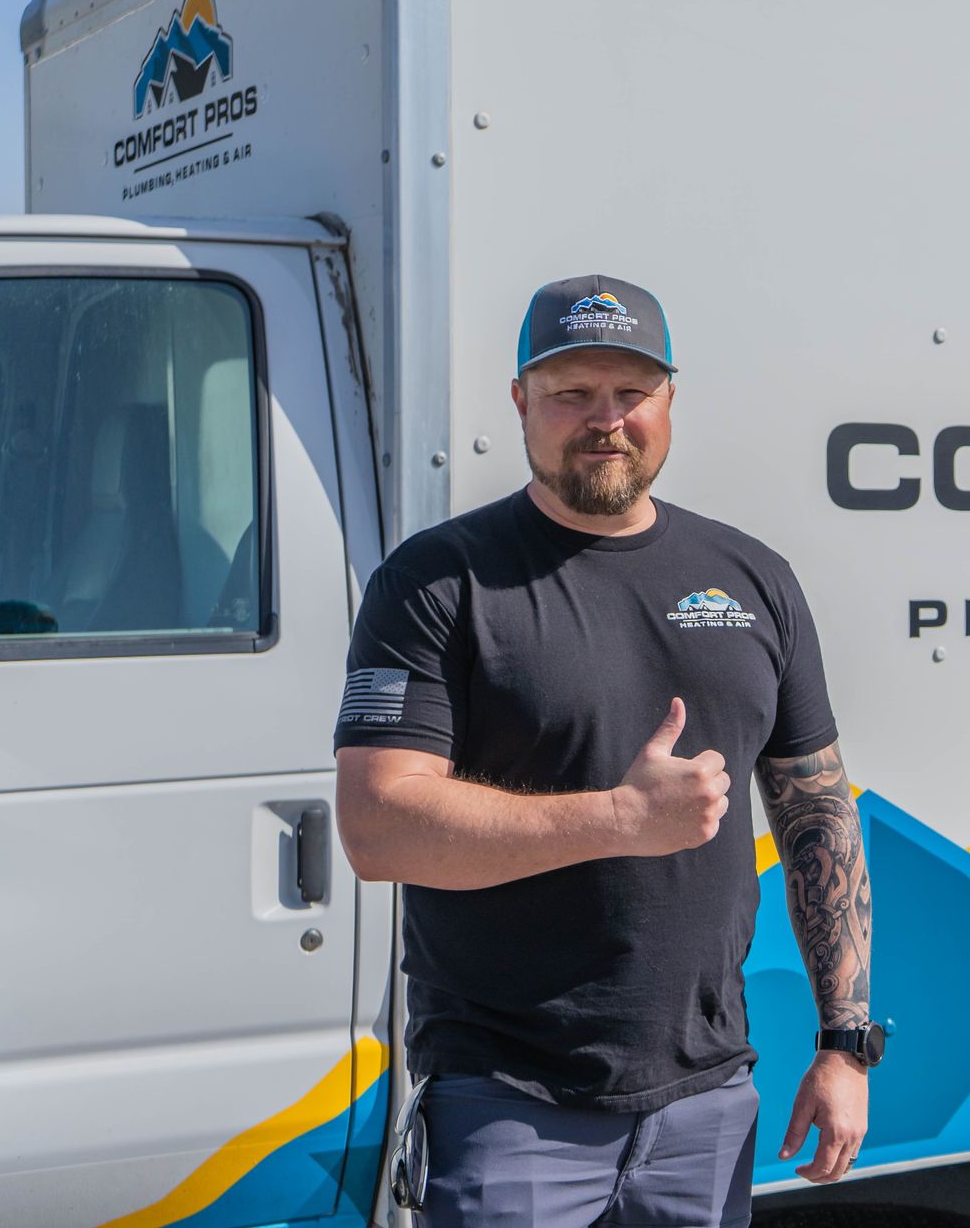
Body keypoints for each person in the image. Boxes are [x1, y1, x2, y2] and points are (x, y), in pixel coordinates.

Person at [333, 274, 877, 1227]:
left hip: (708, 1102)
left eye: (631, 393)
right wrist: (620, 818)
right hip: (507, 1104)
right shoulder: (437, 582)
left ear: (670, 400)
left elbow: (818, 815)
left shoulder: (754, 579)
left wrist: (845, 1044)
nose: (606, 419)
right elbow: (378, 825)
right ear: (521, 404)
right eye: (572, 393)